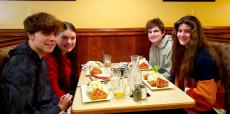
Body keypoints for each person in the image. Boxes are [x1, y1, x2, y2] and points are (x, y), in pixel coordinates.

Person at [0, 12, 72, 114]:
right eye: (46, 33)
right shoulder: (22, 66)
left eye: (55, 34)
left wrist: (58, 107)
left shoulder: (39, 55)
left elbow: (46, 94)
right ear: (30, 34)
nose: (53, 39)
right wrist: (58, 108)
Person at [171, 15, 225, 114]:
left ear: (195, 34)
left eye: (187, 31)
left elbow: (206, 99)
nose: (182, 34)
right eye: (180, 30)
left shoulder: (204, 58)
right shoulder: (183, 51)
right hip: (188, 100)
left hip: (211, 108)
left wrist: (182, 92)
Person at [44, 22, 78, 100]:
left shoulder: (67, 55)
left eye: (73, 38)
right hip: (59, 102)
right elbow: (54, 91)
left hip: (68, 95)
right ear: (56, 37)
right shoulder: (49, 59)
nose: (69, 42)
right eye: (64, 38)